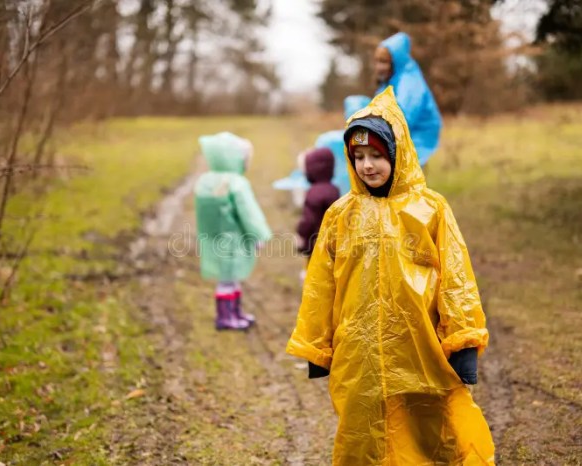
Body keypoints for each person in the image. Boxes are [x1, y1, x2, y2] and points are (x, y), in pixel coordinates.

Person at [286, 88, 495, 464]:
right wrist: (317, 345)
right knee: (364, 432)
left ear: (397, 153)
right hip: (358, 351)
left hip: (420, 346)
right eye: (358, 157)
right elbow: (321, 282)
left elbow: (456, 277)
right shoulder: (340, 214)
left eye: (377, 156)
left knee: (431, 427)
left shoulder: (429, 208)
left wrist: (462, 341)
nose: (367, 166)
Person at [195, 132, 272, 331]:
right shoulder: (236, 183)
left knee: (228, 278)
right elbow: (249, 213)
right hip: (234, 240)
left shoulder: (205, 181)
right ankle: (226, 317)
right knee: (229, 280)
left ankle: (234, 313)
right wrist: (258, 235)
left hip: (212, 240)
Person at [375, 32, 442, 167]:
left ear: (395, 61)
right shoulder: (390, 80)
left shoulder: (409, 81)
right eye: (377, 61)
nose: (378, 67)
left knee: (408, 181)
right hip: (398, 139)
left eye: (384, 62)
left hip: (417, 138)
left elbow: (404, 115)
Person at [296, 147, 340, 279]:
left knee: (313, 273)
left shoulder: (313, 193)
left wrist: (301, 233)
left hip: (315, 242)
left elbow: (309, 220)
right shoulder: (334, 190)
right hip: (333, 241)